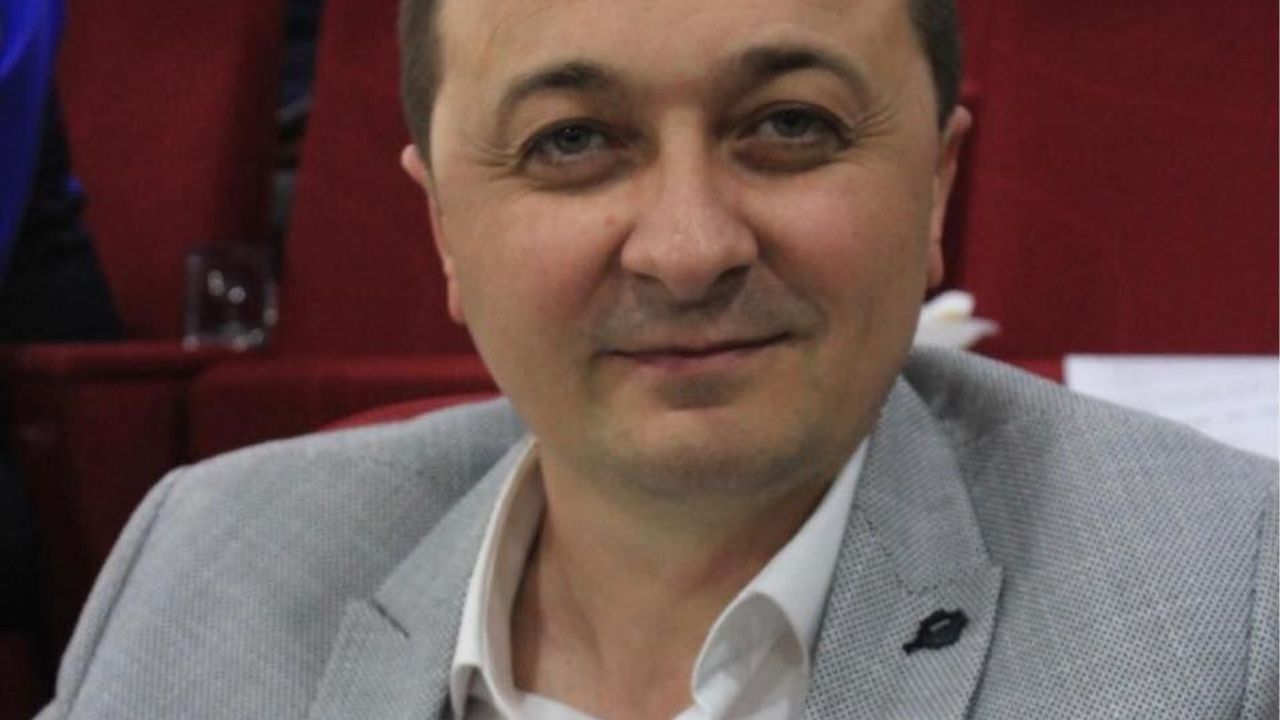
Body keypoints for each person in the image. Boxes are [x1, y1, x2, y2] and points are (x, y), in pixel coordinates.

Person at [35, 0, 1277, 717]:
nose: (687, 251)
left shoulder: (1225, 611)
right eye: (571, 142)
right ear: (443, 227)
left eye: (789, 125)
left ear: (935, 186)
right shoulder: (203, 569)